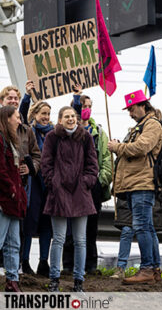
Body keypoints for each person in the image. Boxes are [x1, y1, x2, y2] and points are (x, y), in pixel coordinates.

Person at [41, 106, 99, 292]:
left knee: (80, 240)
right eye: (66, 116)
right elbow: (46, 163)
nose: (71, 119)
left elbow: (93, 165)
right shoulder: (52, 137)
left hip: (80, 194)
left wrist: (85, 182)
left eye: (73, 116)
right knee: (58, 238)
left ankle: (78, 282)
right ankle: (54, 281)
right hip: (58, 194)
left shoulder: (86, 137)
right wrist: (54, 182)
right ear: (59, 120)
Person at [108, 90, 162, 285]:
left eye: (132, 109)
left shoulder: (152, 125)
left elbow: (142, 148)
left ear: (142, 106)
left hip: (142, 184)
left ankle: (146, 268)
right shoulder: (140, 126)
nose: (130, 113)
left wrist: (118, 148)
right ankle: (154, 268)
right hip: (134, 184)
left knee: (140, 226)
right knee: (147, 227)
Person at [65, 87, 112, 275]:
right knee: (70, 227)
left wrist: (101, 180)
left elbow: (107, 159)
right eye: (84, 106)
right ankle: (68, 265)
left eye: (90, 106)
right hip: (72, 186)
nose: (87, 109)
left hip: (92, 186)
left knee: (91, 228)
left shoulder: (99, 132)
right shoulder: (68, 131)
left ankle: (90, 265)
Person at [20, 99, 53, 278]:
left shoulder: (54, 133)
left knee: (47, 224)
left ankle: (43, 262)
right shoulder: (29, 131)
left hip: (49, 186)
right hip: (33, 184)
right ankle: (24, 261)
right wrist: (26, 96)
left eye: (48, 114)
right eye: (43, 114)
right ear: (35, 115)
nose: (46, 117)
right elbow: (22, 114)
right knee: (29, 223)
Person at [0, 106, 28, 292]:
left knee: (13, 243)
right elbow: (1, 170)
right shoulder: (0, 139)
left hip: (13, 201)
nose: (19, 121)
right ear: (7, 118)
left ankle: (12, 280)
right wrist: (10, 189)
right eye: (17, 117)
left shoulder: (11, 141)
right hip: (4, 199)